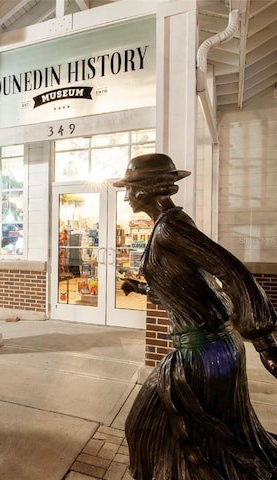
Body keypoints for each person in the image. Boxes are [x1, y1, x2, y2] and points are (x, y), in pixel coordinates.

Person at [114, 153, 277, 479]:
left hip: (208, 354)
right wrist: (142, 289)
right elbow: (188, 292)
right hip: (202, 350)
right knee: (192, 443)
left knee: (159, 429)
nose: (126, 195)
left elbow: (231, 271)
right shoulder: (165, 226)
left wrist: (264, 340)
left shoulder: (172, 227)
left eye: (130, 188)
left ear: (147, 189)